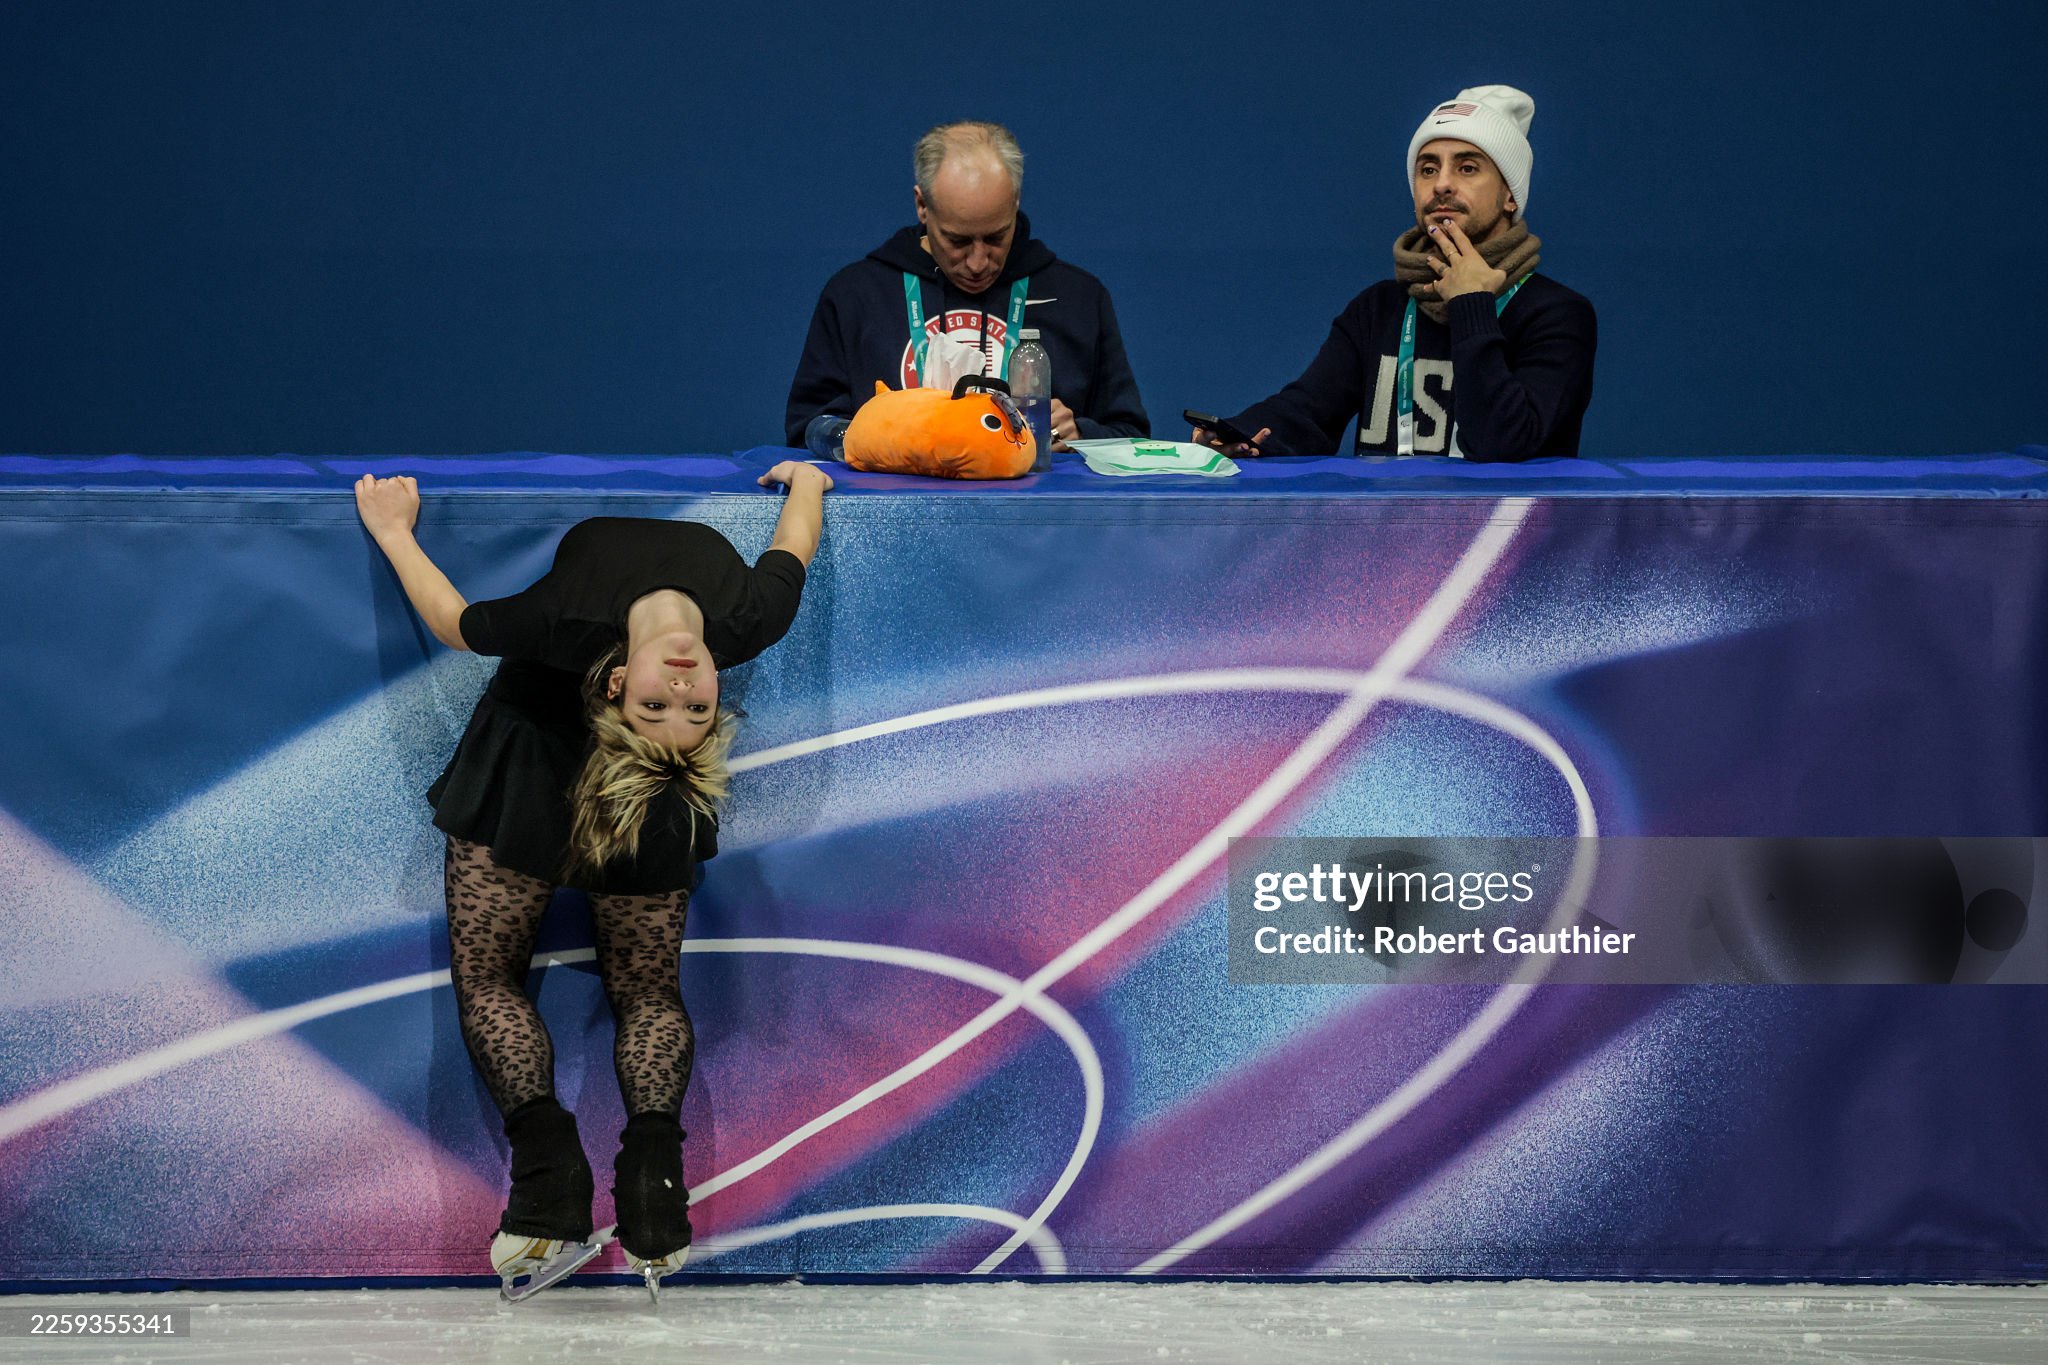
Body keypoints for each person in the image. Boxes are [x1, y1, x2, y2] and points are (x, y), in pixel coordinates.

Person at [353, 460, 831, 1299]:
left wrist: (393, 530)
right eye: (681, 706)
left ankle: (639, 1179)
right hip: (543, 756)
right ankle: (562, 1180)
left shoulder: (582, 630)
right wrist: (808, 482)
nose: (683, 695)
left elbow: (460, 624)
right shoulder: (740, 621)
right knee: (560, 980)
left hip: (632, 786)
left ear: (622, 685)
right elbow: (793, 545)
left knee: (595, 983)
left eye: (675, 709)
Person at [1197, 86, 1596, 462]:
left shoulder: (1557, 314)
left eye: (1467, 168)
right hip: (1389, 535)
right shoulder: (1380, 307)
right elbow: (1308, 410)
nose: (1441, 184)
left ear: (1510, 195)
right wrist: (1238, 435)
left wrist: (1471, 304)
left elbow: (1505, 445)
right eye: (1427, 169)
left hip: (1505, 535)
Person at [786, 120, 1150, 455]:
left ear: (1016, 202)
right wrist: (876, 434)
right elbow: (807, 430)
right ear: (922, 206)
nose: (978, 263)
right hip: (899, 520)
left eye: (995, 237)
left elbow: (1131, 435)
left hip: (1040, 523)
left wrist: (1081, 435)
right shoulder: (856, 295)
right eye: (958, 241)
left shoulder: (1079, 297)